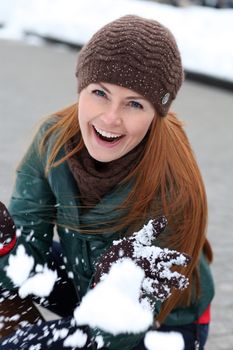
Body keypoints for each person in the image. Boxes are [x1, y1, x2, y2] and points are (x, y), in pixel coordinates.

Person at [0, 15, 214, 350]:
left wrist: (119, 287)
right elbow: (25, 258)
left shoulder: (173, 185)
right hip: (84, 279)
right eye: (100, 92)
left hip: (163, 324)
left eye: (134, 103)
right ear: (81, 88)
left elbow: (123, 327)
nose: (110, 117)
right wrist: (6, 246)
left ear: (156, 112)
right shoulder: (53, 140)